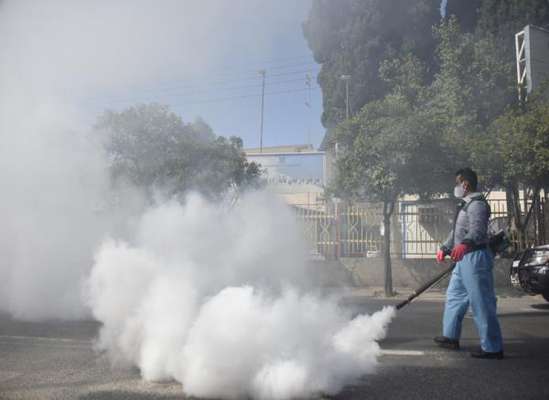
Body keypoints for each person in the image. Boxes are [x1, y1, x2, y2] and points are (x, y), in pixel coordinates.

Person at [435, 168, 504, 359]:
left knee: (481, 302)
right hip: (463, 260)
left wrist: (464, 245)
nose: (455, 187)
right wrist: (445, 247)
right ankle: (450, 337)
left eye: (457, 183)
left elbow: (478, 231)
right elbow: (456, 232)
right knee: (455, 296)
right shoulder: (465, 205)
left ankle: (492, 348)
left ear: (465, 184)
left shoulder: (477, 205)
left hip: (475, 258)